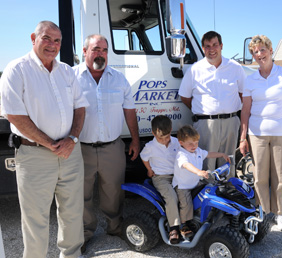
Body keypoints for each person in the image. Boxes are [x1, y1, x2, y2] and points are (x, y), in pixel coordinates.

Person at [0, 21, 89, 258]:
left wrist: (71, 138)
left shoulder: (67, 71)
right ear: (33, 38)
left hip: (70, 152)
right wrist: (51, 144)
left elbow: (80, 108)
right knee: (35, 218)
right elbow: (15, 116)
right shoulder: (16, 70)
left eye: (57, 40)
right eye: (47, 38)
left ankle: (71, 255)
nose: (52, 45)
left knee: (72, 212)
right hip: (35, 155)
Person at [73, 34, 140, 251]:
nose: (100, 54)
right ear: (85, 52)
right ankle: (85, 232)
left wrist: (135, 140)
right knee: (81, 194)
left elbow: (129, 112)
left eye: (104, 50)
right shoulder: (72, 77)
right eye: (95, 49)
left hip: (112, 147)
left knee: (113, 191)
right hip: (81, 149)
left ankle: (115, 226)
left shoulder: (119, 79)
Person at [239, 35, 282, 231]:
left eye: (262, 50)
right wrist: (243, 137)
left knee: (281, 176)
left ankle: (280, 214)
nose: (259, 54)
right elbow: (246, 110)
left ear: (270, 50)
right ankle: (263, 212)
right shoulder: (250, 80)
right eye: (255, 52)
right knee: (259, 177)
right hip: (257, 134)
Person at [179, 31, 246, 177]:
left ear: (221, 46)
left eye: (215, 45)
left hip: (231, 122)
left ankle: (226, 193)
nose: (212, 49)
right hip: (205, 125)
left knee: (228, 163)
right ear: (203, 49)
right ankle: (207, 194)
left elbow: (243, 95)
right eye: (208, 46)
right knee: (205, 165)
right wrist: (204, 112)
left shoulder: (235, 68)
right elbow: (184, 97)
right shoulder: (194, 70)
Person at [173, 125, 230, 237]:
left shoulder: (197, 151)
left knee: (210, 189)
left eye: (196, 143)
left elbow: (208, 154)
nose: (194, 146)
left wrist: (221, 155)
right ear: (181, 143)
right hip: (183, 186)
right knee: (186, 205)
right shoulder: (181, 154)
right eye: (190, 144)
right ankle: (183, 225)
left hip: (195, 183)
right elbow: (186, 165)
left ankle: (208, 212)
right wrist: (199, 172)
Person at [140, 115, 181, 244]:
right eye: (160, 138)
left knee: (187, 193)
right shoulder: (150, 146)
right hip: (161, 178)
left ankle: (188, 222)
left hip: (177, 175)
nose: (164, 141)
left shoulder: (176, 142)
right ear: (153, 133)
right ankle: (173, 228)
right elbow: (144, 157)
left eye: (167, 137)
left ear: (171, 130)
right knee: (171, 197)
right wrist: (149, 170)